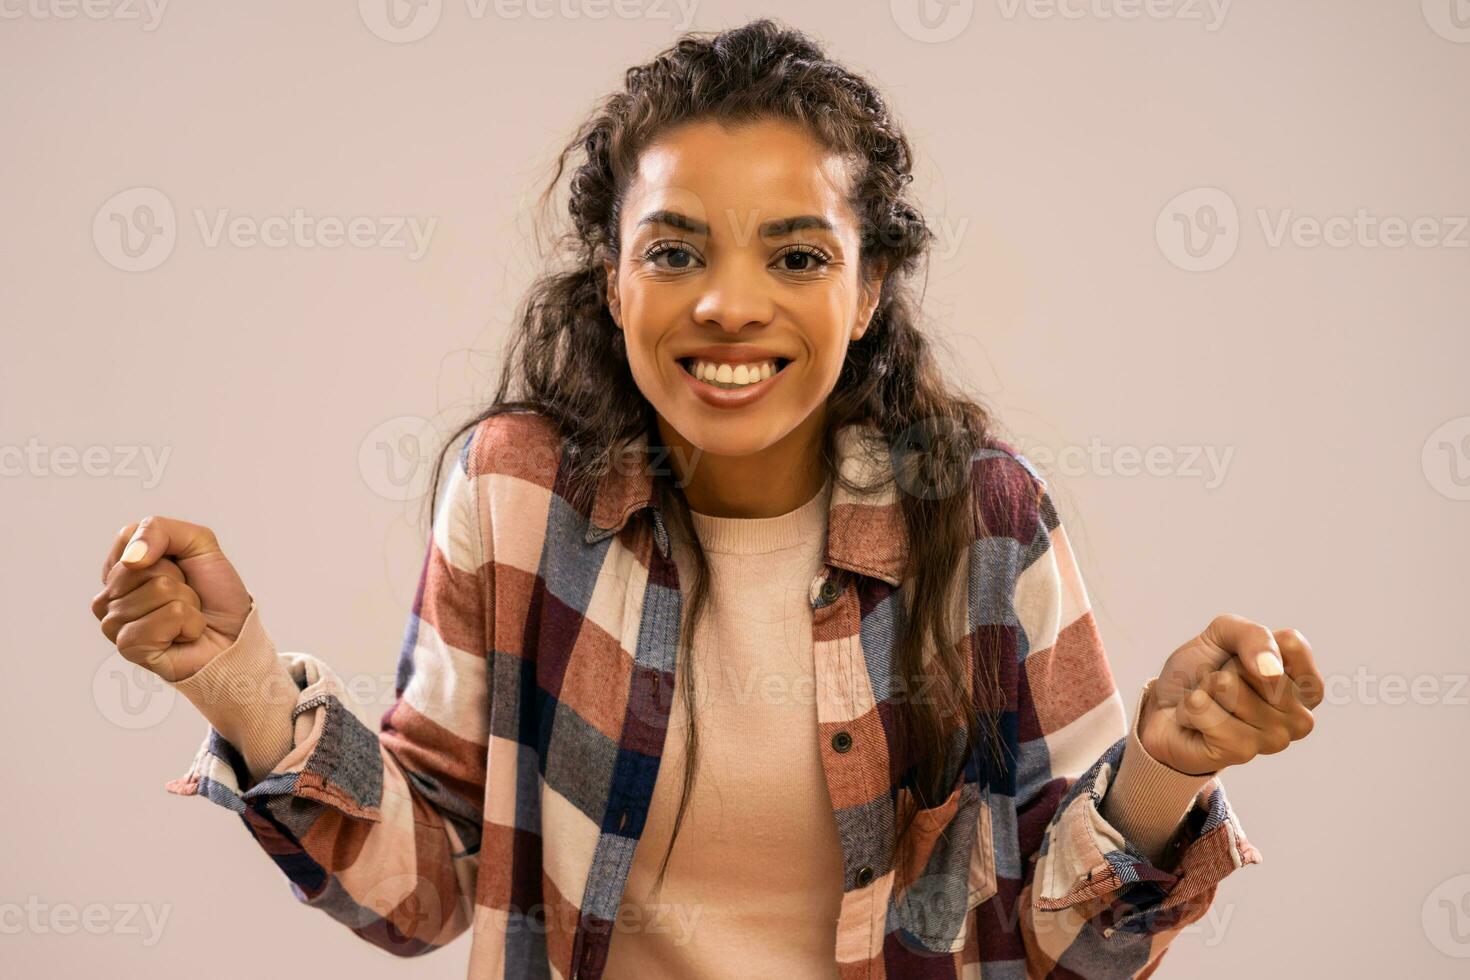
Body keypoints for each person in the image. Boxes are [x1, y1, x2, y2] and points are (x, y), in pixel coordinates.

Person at [89, 19, 1322, 980]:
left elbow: (1077, 946)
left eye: (797, 255)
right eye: (675, 251)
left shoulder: (988, 517)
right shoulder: (517, 495)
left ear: (872, 285)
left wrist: (1162, 766)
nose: (730, 304)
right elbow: (429, 888)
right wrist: (236, 679)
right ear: (616, 283)